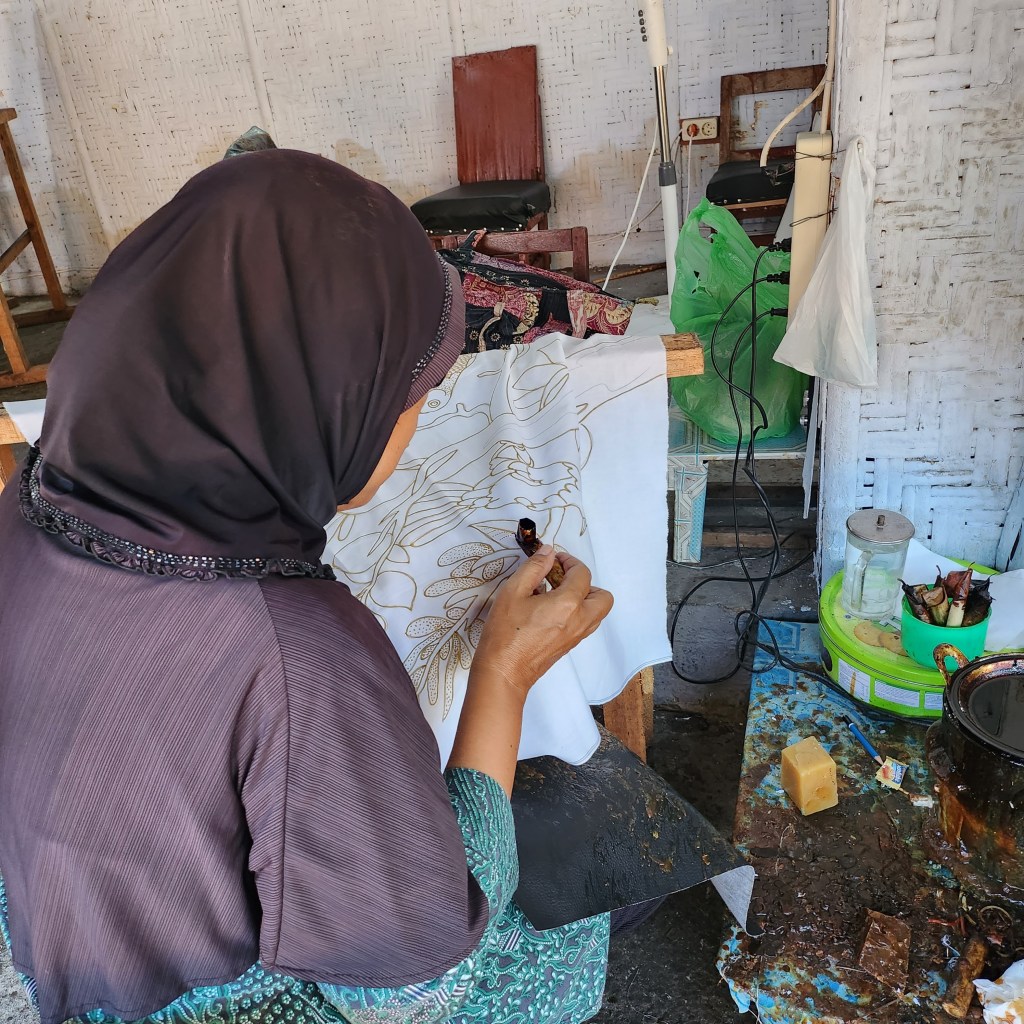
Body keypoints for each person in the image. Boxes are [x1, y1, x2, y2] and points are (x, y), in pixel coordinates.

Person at [0, 150, 617, 1024]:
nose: (419, 414)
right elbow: (412, 993)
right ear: (324, 395)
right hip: (193, 999)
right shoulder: (295, 650)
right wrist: (503, 677)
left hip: (56, 948)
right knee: (557, 950)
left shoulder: (29, 504)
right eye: (413, 387)